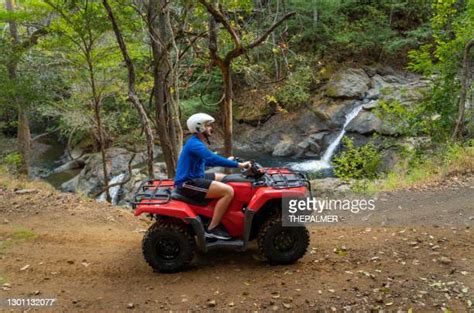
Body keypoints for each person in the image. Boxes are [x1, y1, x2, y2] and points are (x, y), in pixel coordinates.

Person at [174, 113, 251, 240]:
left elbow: (206, 161)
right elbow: (212, 158)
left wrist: (227, 160)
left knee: (224, 178)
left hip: (196, 176)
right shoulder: (195, 144)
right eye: (208, 125)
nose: (211, 128)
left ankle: (224, 213)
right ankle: (212, 228)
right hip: (187, 183)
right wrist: (239, 164)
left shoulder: (195, 142)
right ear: (200, 128)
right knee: (228, 191)